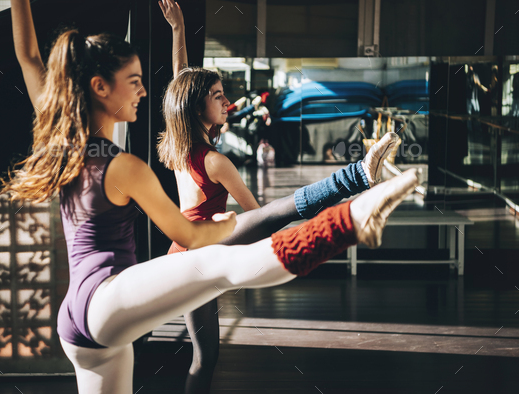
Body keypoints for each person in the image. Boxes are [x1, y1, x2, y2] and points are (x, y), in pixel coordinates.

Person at [3, 1, 418, 392]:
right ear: (100, 88)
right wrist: (225, 225)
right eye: (133, 82)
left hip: (82, 330)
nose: (143, 92)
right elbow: (189, 235)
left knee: (214, 288)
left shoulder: (65, 142)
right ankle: (351, 219)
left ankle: (353, 194)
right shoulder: (125, 167)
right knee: (219, 265)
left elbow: (28, 58)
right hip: (102, 302)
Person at [158, 1, 400, 392]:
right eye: (218, 96)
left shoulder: (179, 146)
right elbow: (260, 215)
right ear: (197, 105)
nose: (226, 102)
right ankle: (356, 175)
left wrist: (178, 30)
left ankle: (355, 184)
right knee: (276, 212)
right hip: (202, 249)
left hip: (182, 256)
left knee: (205, 359)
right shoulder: (216, 161)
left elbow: (180, 81)